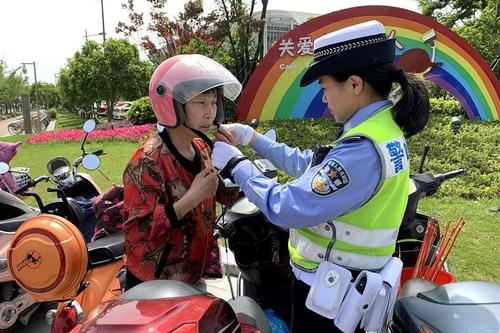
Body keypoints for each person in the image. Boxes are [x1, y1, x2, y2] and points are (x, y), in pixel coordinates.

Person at [212, 20, 430, 332]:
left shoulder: (362, 149)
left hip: (331, 295)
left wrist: (237, 165)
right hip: (348, 285)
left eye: (326, 87)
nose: (325, 99)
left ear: (354, 84)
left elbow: (287, 207)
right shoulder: (380, 130)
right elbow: (313, 168)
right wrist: (254, 139)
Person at [122, 54, 242, 290]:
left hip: (193, 275)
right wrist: (192, 198)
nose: (210, 113)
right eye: (200, 103)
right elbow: (139, 236)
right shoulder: (146, 161)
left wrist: (232, 160)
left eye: (214, 103)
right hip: (154, 284)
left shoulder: (202, 147)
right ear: (173, 105)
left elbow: (226, 197)